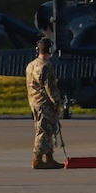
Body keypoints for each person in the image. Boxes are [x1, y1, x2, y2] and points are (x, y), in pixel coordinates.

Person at [26, 37, 63, 170]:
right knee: (44, 130)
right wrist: (57, 103)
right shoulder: (46, 66)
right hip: (44, 102)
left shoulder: (31, 65)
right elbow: (51, 88)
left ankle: (49, 158)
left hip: (34, 102)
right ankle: (37, 159)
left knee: (46, 129)